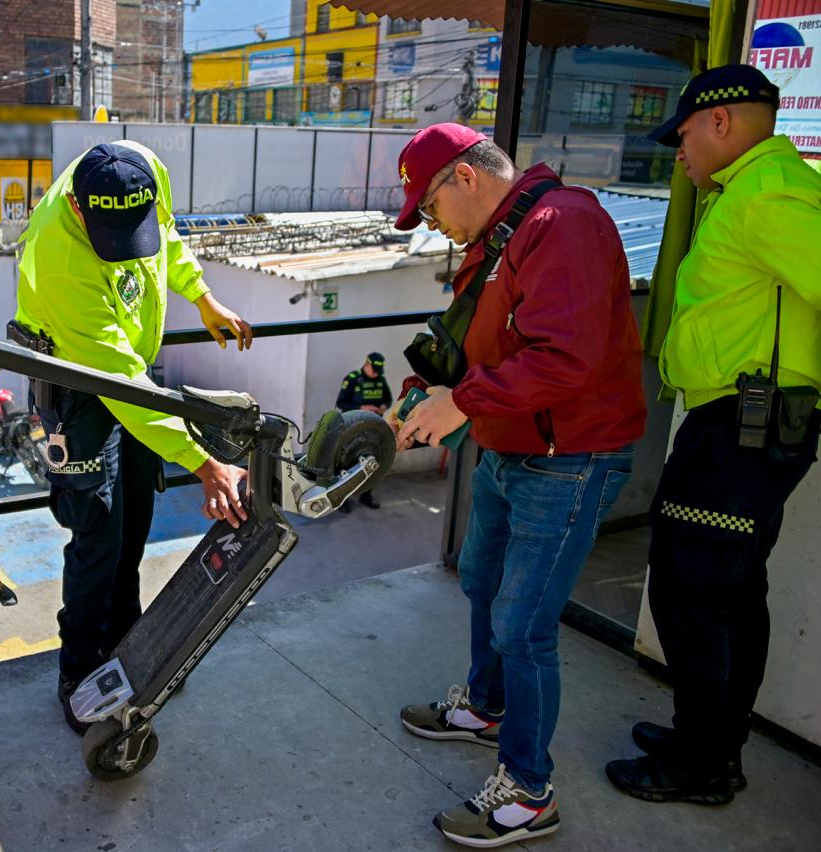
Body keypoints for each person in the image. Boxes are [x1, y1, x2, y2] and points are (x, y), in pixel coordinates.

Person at [390, 123, 647, 848]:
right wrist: (424, 392)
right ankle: (488, 705)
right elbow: (481, 342)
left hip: (567, 460)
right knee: (480, 579)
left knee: (524, 625)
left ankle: (529, 792)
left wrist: (462, 405)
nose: (431, 222)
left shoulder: (563, 224)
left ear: (465, 178)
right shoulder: (502, 237)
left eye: (430, 204)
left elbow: (567, 357)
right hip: (513, 448)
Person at [606, 65, 821, 805]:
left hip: (745, 429)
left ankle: (702, 766)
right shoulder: (757, 190)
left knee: (693, 593)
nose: (680, 152)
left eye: (685, 135)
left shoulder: (767, 194)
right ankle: (710, 744)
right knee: (726, 592)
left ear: (722, 121)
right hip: (741, 426)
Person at [12, 141, 254, 734]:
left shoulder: (141, 169)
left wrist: (202, 296)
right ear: (76, 205)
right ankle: (79, 669)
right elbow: (114, 379)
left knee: (136, 519)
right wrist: (203, 463)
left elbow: (165, 238)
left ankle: (130, 646)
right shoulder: (60, 257)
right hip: (80, 386)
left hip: (134, 379)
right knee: (99, 533)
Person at [335, 352, 392, 510]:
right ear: (366, 364)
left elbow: (388, 399)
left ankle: (366, 495)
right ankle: (342, 499)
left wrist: (384, 407)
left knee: (372, 461)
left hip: (373, 429)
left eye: (377, 371)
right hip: (352, 428)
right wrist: (362, 408)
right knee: (345, 463)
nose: (375, 374)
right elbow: (341, 402)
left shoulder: (380, 379)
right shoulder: (353, 378)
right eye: (373, 370)